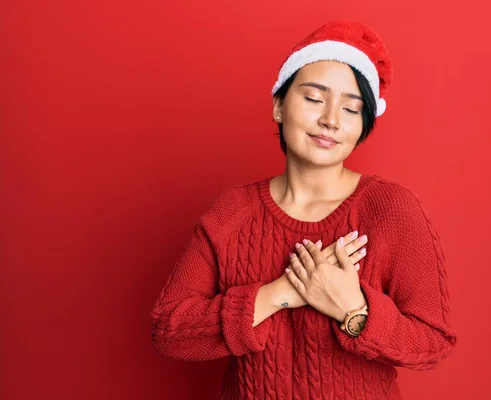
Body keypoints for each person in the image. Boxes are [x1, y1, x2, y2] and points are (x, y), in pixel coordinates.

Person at [149, 20, 457, 399]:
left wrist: (353, 309)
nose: (330, 119)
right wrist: (284, 291)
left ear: (362, 125)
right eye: (314, 99)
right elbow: (169, 332)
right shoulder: (233, 210)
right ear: (279, 105)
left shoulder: (390, 209)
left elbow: (432, 342)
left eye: (351, 108)